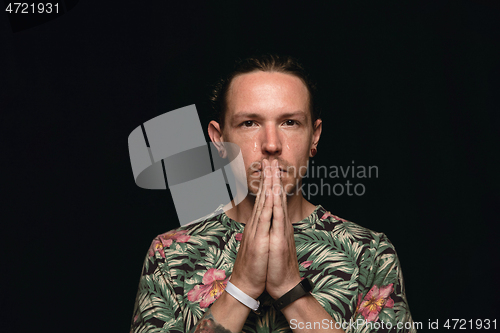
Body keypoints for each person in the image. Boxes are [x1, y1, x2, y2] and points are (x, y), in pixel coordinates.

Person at [130, 54, 416, 333]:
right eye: (249, 123)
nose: (270, 144)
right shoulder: (169, 255)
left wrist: (291, 289)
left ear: (314, 136)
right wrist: (240, 288)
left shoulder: (370, 255)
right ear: (219, 141)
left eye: (290, 122)